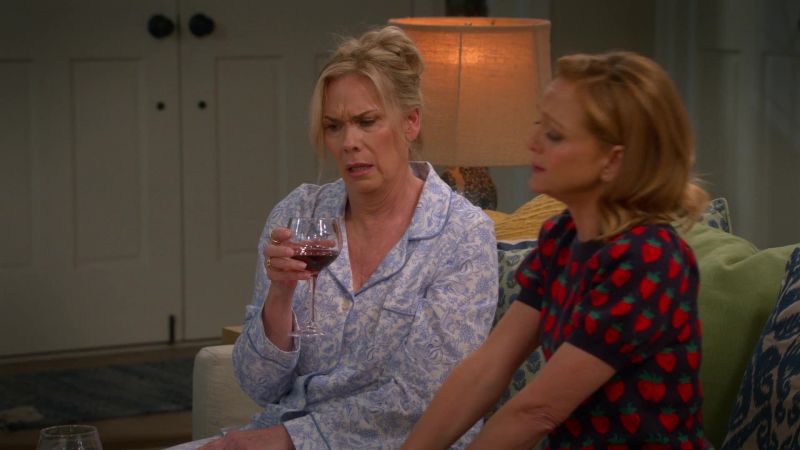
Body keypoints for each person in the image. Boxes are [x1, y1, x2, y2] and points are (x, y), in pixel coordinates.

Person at [169, 25, 498, 450]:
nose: (349, 143)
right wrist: (280, 296)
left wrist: (289, 439)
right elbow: (258, 384)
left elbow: (424, 398)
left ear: (411, 122)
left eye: (367, 122)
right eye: (333, 126)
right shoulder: (300, 214)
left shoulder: (462, 234)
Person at [401, 51, 713, 449]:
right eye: (540, 126)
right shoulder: (563, 236)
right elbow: (487, 368)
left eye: (554, 135)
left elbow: (537, 412)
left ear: (613, 160)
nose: (531, 143)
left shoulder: (649, 258)